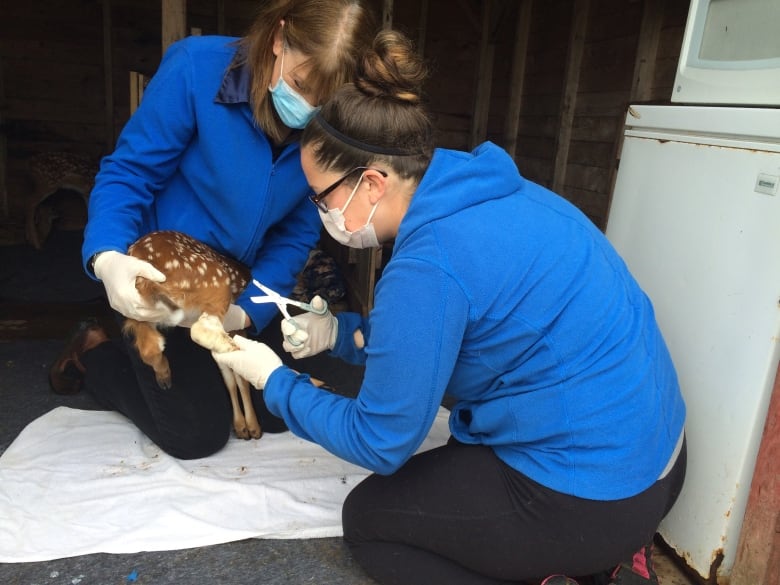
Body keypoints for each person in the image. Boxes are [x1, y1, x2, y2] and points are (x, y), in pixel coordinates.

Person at [212, 29, 687, 585]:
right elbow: (429, 338)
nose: (320, 212)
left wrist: (276, 382)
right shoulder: (490, 188)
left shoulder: (428, 266)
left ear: (371, 182)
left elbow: (379, 440)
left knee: (370, 520)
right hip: (664, 463)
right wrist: (337, 334)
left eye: (322, 197)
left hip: (594, 499)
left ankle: (580, 566)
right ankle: (606, 557)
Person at [48, 0, 378, 460]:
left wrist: (245, 314)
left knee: (286, 408)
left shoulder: (330, 125)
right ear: (279, 38)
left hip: (236, 285)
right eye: (301, 85)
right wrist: (106, 257)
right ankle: (97, 350)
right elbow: (129, 173)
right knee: (195, 436)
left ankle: (200, 371)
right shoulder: (196, 68)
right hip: (172, 286)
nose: (307, 109)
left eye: (324, 103)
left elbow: (296, 235)